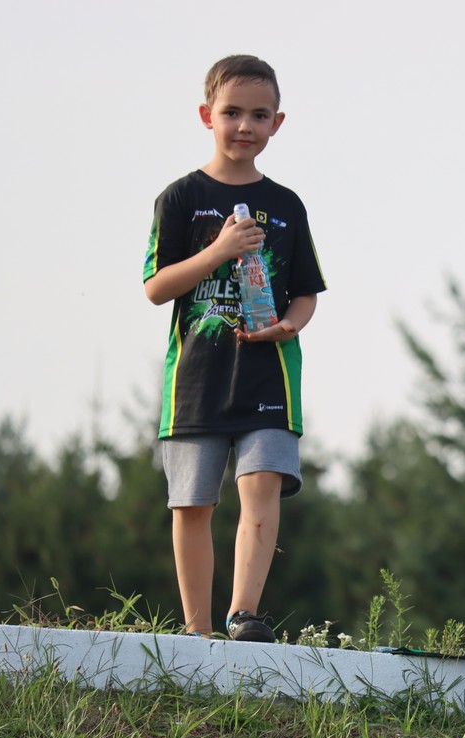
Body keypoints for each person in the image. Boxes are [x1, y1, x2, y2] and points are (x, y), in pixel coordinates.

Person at [141, 55, 328, 642]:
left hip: (269, 377)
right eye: (232, 113)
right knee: (193, 504)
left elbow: (305, 294)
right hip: (195, 381)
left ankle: (242, 614)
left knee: (262, 487)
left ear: (278, 123)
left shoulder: (289, 205)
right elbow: (155, 287)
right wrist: (218, 252)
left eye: (259, 115)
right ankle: (197, 629)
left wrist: (288, 327)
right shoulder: (179, 198)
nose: (244, 125)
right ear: (206, 115)